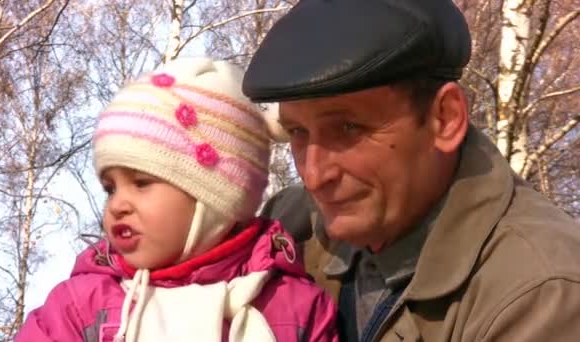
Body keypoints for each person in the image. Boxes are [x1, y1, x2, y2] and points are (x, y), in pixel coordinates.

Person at [244, 0, 580, 341]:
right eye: (297, 133)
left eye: (348, 128)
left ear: (445, 119)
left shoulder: (541, 295)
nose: (314, 176)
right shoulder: (290, 225)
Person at [16, 57, 338, 342]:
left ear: (214, 201)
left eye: (142, 183)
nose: (118, 205)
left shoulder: (294, 306)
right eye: (110, 188)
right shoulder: (79, 307)